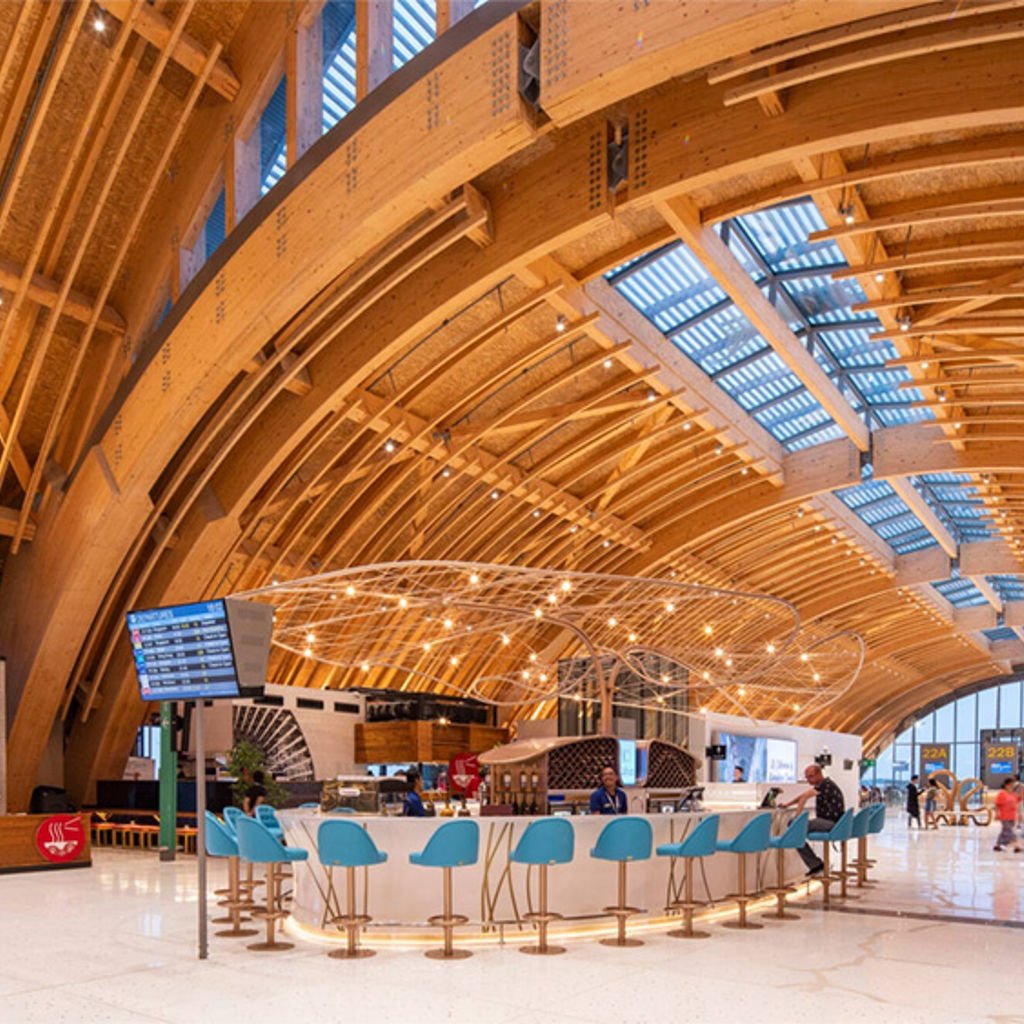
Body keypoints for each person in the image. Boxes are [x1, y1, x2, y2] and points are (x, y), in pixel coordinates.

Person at [779, 763, 845, 876]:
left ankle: (815, 864)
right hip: (834, 822)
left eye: (811, 776)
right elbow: (804, 795)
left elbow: (804, 798)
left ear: (819, 774)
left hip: (831, 823)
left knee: (794, 829)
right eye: (807, 777)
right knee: (794, 830)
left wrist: (797, 818)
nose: (808, 780)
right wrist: (787, 805)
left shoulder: (825, 785)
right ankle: (815, 864)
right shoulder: (824, 784)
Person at [993, 778, 1022, 852]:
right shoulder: (1002, 793)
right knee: (1009, 831)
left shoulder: (1013, 794)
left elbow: (1019, 800)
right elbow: (997, 804)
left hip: (1012, 816)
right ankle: (1016, 845)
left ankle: (998, 845)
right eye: (1010, 785)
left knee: (1004, 831)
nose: (1012, 786)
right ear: (1006, 785)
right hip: (1004, 816)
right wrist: (996, 813)